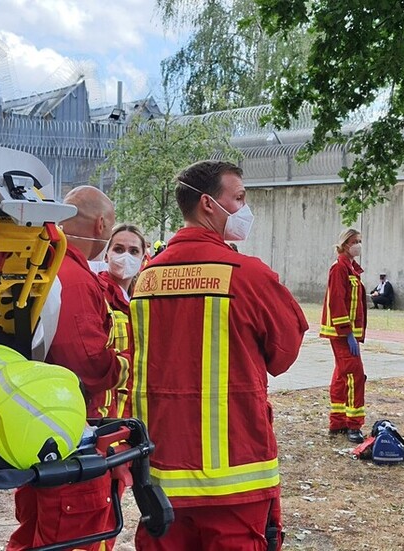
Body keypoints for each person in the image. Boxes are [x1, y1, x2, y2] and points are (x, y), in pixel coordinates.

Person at [130, 160, 308, 551]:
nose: (245, 210)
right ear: (209, 204)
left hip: (159, 474)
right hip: (236, 477)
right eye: (239, 198)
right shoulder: (247, 275)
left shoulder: (145, 279)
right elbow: (284, 354)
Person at [7, 186, 127, 551]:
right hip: (72, 435)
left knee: (35, 535)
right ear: (102, 224)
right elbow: (87, 362)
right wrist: (123, 364)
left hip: (36, 429)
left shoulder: (42, 260)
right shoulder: (72, 276)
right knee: (73, 536)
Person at [321, 228, 368, 444]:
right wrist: (347, 332)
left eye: (359, 240)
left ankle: (337, 420)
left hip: (348, 333)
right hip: (342, 333)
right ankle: (353, 424)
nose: (358, 244)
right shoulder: (339, 268)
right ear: (345, 244)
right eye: (355, 241)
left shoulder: (350, 268)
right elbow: (337, 300)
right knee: (354, 375)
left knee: (342, 375)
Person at [97, 223, 146, 417]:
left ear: (143, 258)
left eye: (134, 251)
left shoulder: (142, 300)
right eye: (118, 249)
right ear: (107, 254)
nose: (126, 256)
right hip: (104, 409)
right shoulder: (97, 293)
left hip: (132, 408)